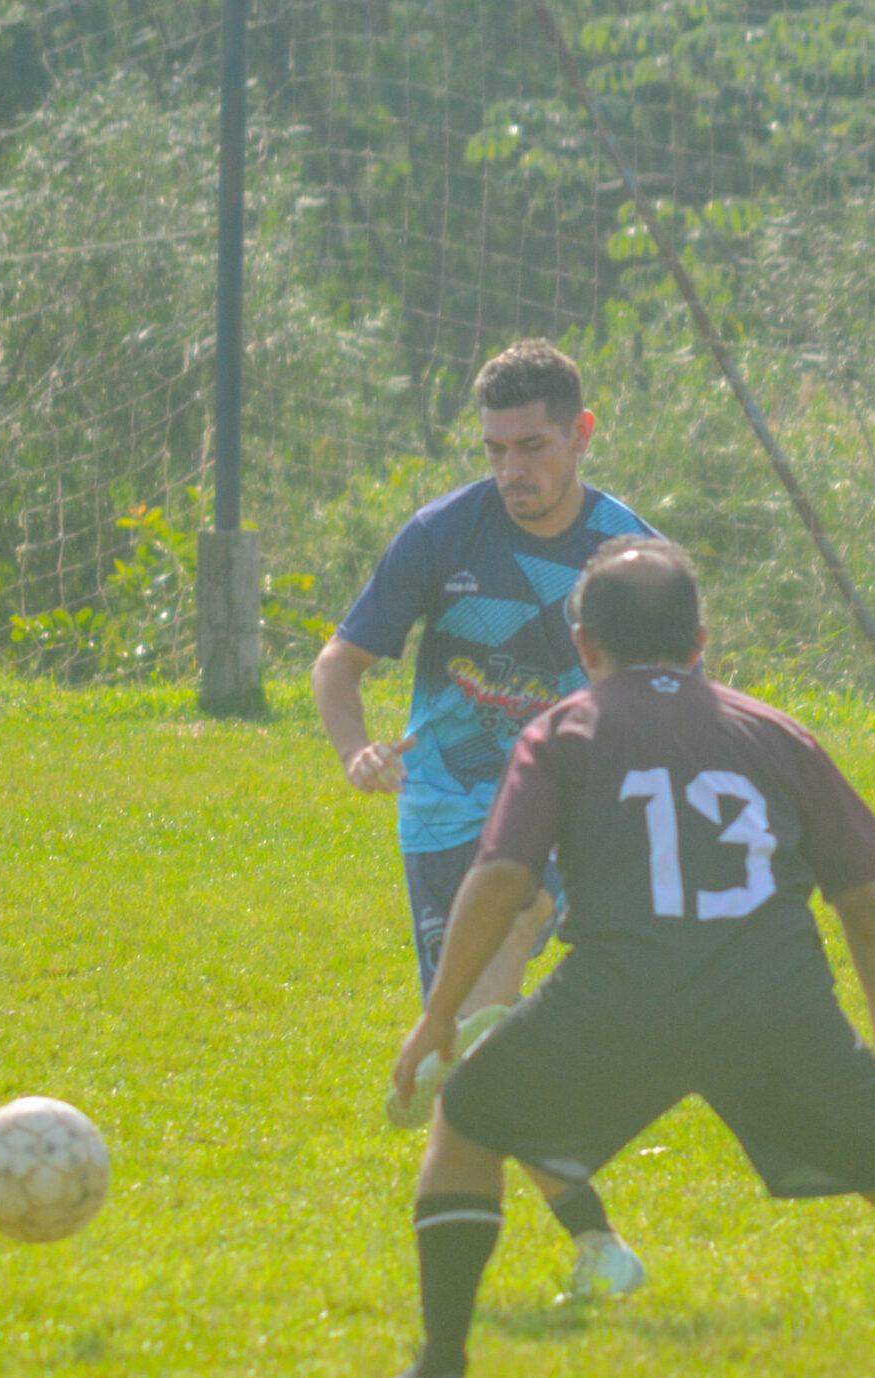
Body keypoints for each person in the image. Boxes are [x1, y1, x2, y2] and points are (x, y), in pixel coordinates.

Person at [352, 538, 875, 1378]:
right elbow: (866, 903)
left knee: (469, 1123)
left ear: (585, 646)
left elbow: (500, 882)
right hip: (775, 1005)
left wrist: (438, 1017)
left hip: (617, 1002)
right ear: (699, 642)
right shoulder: (775, 732)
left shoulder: (564, 729)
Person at [311, 339, 651, 1299]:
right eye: (496, 449)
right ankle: (599, 1246)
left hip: (568, 810)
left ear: (581, 435)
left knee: (484, 1013)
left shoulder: (628, 558)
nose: (512, 470)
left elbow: (670, 695)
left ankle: (512, 940)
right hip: (446, 812)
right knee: (476, 1067)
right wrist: (357, 749)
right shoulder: (442, 535)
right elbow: (339, 665)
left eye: (533, 447)